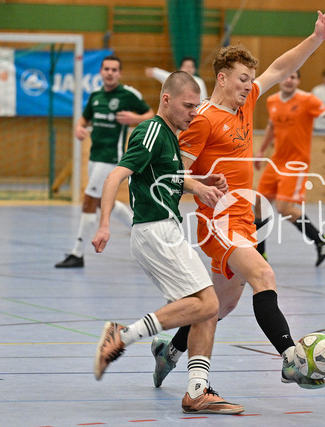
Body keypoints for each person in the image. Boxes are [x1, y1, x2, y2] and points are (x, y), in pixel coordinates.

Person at [147, 9, 325, 392]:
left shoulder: (247, 101)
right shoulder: (202, 120)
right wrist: (201, 188)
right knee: (263, 275)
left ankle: (169, 352)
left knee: (219, 306)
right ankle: (291, 359)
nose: (249, 85)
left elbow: (280, 67)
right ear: (222, 78)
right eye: (242, 79)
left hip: (242, 221)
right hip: (216, 223)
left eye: (251, 79)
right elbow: (174, 176)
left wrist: (317, 37)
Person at [91, 71, 243, 415]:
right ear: (166, 99)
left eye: (197, 106)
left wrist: (201, 183)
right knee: (208, 304)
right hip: (156, 231)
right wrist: (104, 225)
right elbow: (116, 175)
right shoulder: (151, 131)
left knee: (206, 308)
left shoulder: (171, 137)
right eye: (188, 106)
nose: (194, 112)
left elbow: (168, 178)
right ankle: (122, 335)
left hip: (165, 230)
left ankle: (197, 391)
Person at [254, 70, 325, 265]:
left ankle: (320, 240)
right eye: (286, 76)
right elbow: (271, 127)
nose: (289, 80)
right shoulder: (272, 101)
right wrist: (261, 151)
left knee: (284, 208)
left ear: (298, 81)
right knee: (260, 204)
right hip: (276, 161)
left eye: (293, 77)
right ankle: (260, 253)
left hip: (296, 163)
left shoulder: (308, 100)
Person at [56, 55, 154, 268]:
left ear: (119, 73)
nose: (110, 73)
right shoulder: (96, 96)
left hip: (111, 158)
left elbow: (151, 114)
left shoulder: (127, 95)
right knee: (103, 202)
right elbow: (84, 118)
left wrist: (135, 119)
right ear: (101, 72)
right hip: (94, 158)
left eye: (114, 70)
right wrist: (79, 128)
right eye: (106, 69)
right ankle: (144, 234)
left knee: (89, 201)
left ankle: (77, 253)